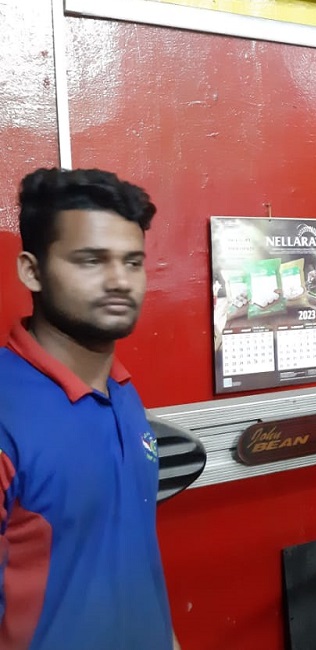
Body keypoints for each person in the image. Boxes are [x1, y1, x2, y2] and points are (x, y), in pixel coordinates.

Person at [0, 168, 179, 649]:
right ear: (32, 271)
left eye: (133, 262)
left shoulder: (120, 391)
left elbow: (131, 558)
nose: (120, 280)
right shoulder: (6, 413)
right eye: (91, 260)